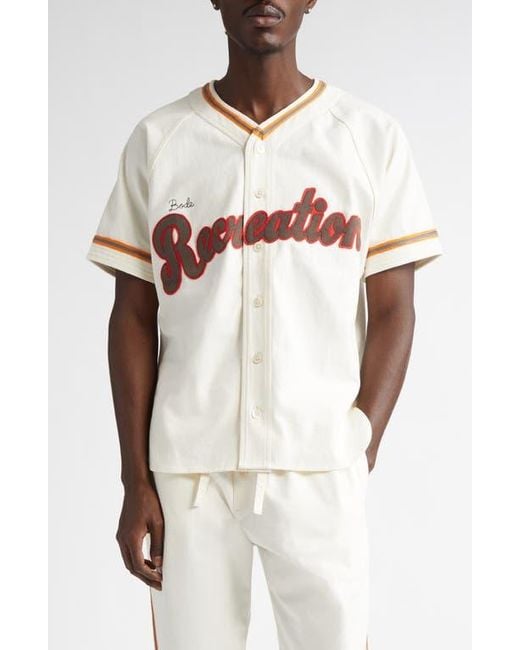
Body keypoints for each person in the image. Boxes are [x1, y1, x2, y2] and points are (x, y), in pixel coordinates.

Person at [87, 1, 442, 648]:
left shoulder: (368, 137)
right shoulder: (161, 139)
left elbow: (395, 308)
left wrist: (360, 439)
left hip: (318, 462)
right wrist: (135, 478)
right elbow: (133, 315)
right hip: (188, 470)